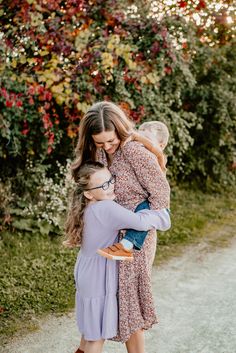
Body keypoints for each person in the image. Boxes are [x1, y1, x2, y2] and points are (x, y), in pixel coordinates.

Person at [71, 101, 170, 353]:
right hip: (110, 233)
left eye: (110, 140)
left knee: (129, 304)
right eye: (100, 142)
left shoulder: (136, 152)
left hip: (136, 236)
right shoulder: (100, 152)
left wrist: (137, 229)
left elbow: (161, 197)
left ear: (120, 129)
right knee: (114, 301)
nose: (106, 146)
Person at [97, 120, 170, 261]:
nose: (141, 143)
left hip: (153, 203)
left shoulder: (157, 156)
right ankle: (124, 246)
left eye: (147, 139)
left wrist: (136, 137)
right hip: (145, 199)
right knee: (141, 215)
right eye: (140, 136)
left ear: (161, 145)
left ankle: (126, 246)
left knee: (143, 214)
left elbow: (156, 153)